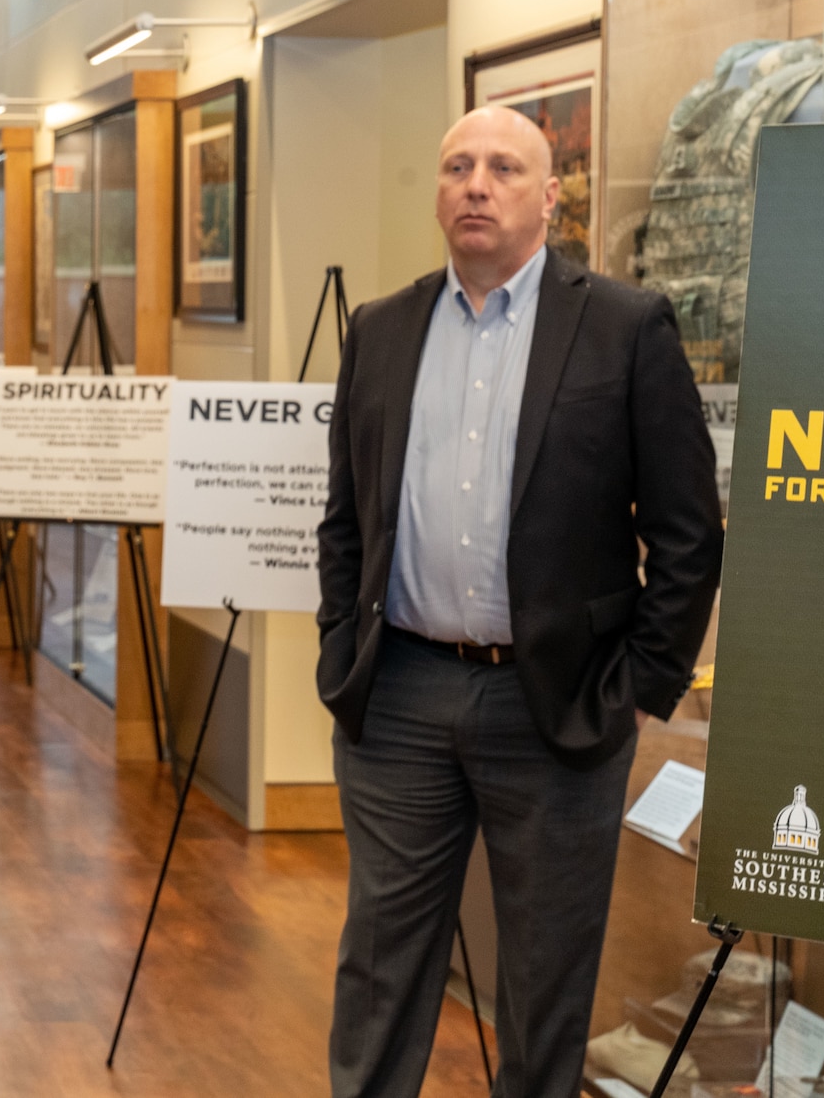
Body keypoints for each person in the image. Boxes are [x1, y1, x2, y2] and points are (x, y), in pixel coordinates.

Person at [315, 106, 723, 1097]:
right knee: (379, 965)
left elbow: (686, 531)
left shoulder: (624, 327)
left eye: (503, 167)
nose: (475, 184)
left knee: (543, 984)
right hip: (400, 695)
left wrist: (639, 685)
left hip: (558, 705)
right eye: (456, 165)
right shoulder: (379, 328)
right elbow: (344, 521)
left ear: (549, 197)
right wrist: (341, 648)